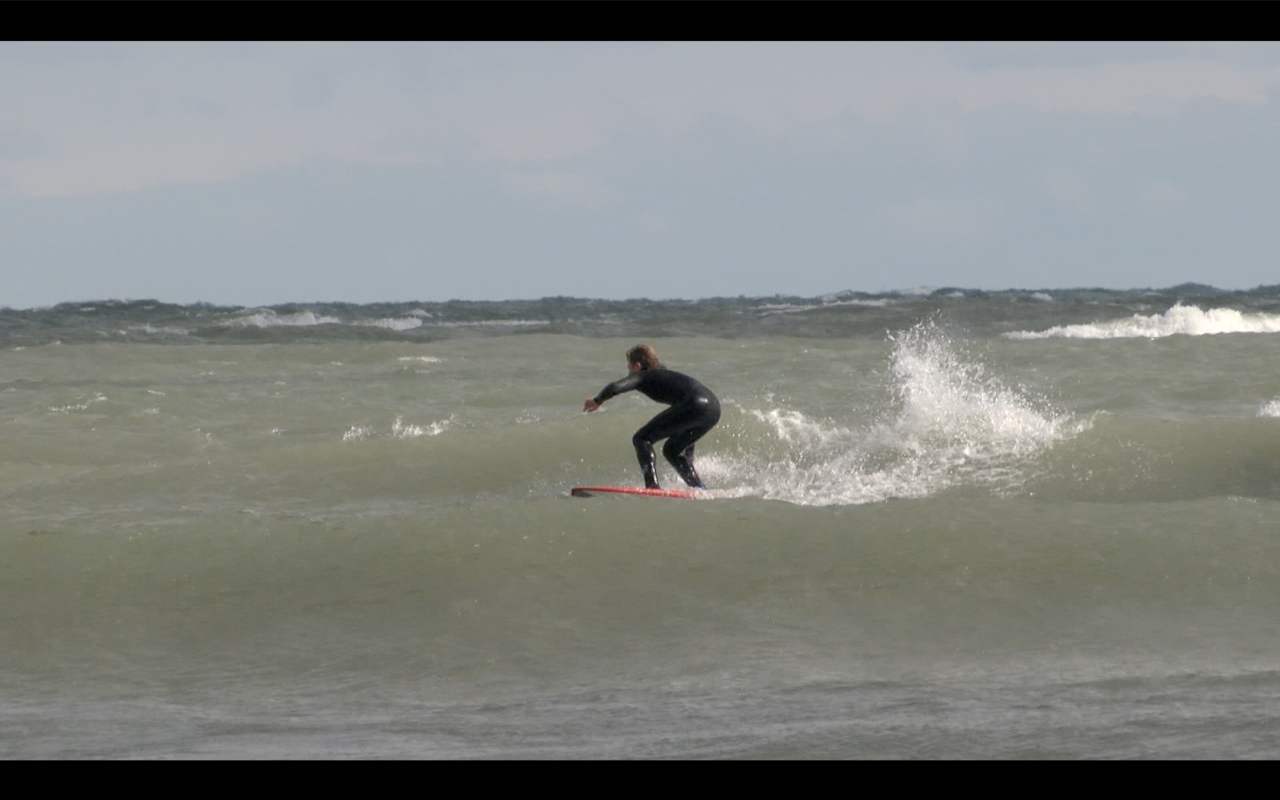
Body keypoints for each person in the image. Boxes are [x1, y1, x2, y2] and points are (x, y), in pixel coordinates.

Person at [583, 343, 721, 490]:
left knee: (641, 439)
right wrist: (688, 455)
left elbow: (615, 387)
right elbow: (688, 422)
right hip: (713, 408)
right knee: (672, 450)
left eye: (629, 368)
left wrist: (597, 401)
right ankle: (698, 487)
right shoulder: (664, 373)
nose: (629, 372)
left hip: (694, 404)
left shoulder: (643, 376)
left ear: (636, 365)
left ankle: (652, 486)